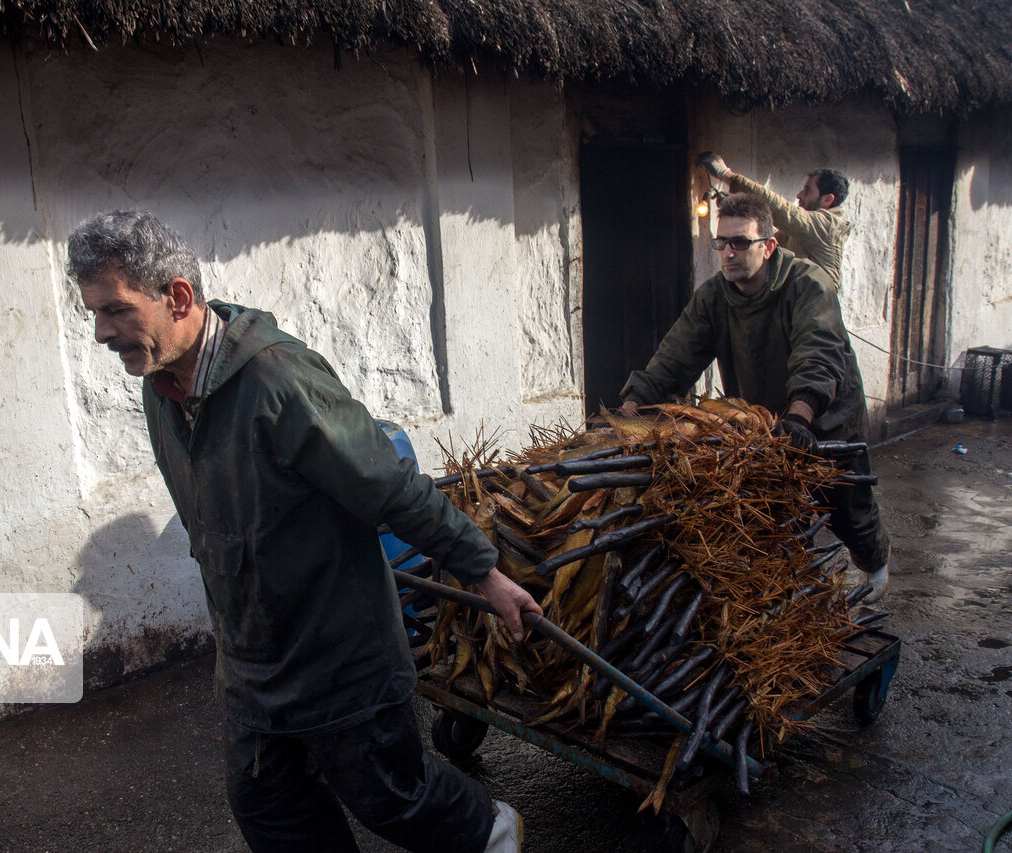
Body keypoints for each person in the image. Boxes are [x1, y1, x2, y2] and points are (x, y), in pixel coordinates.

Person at [68, 210, 540, 853]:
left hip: (337, 656)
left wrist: (484, 572)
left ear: (176, 297)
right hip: (252, 661)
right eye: (93, 313)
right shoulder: (161, 384)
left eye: (115, 310)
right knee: (271, 810)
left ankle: (487, 829)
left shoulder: (278, 383)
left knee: (392, 797)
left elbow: (389, 483)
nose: (101, 332)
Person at [617, 193, 890, 603]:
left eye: (740, 242)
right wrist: (628, 410)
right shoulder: (714, 297)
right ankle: (793, 596)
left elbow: (816, 353)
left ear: (769, 245)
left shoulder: (807, 284)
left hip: (824, 415)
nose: (729, 252)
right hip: (763, 424)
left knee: (846, 503)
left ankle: (876, 570)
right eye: (721, 242)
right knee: (771, 512)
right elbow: (674, 357)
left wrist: (799, 417)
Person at [697, 152, 851, 289]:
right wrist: (739, 209)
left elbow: (783, 212)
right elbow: (772, 241)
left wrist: (728, 176)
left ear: (827, 199)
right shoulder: (805, 230)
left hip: (813, 312)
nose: (800, 195)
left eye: (808, 190)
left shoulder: (829, 225)